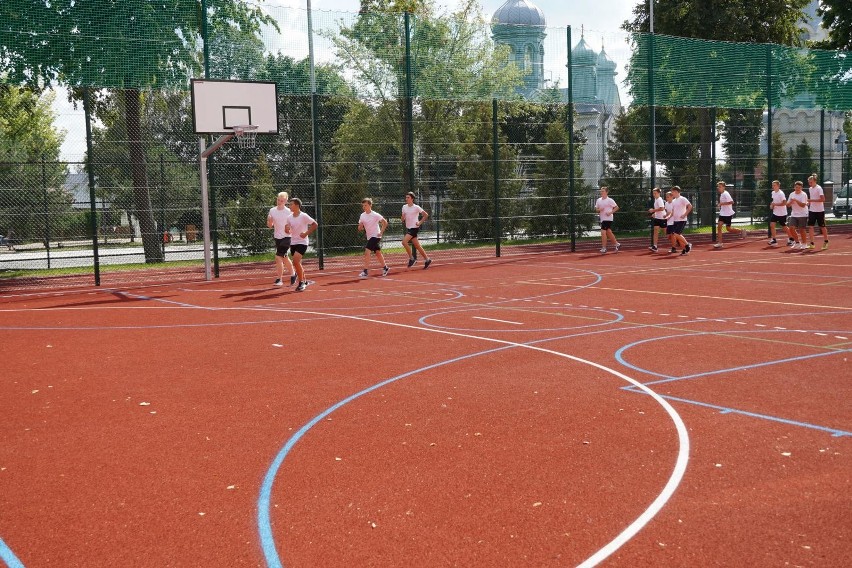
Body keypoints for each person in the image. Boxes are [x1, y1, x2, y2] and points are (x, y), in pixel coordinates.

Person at [285, 198, 318, 292]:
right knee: (297, 263)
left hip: (302, 242)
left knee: (295, 261)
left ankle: (301, 282)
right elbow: (288, 230)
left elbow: (315, 224)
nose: (289, 206)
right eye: (289, 204)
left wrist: (306, 233)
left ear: (297, 205)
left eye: (291, 204)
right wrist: (287, 229)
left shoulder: (304, 216)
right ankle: (305, 280)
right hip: (293, 242)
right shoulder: (289, 217)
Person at [266, 191, 297, 287]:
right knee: (284, 257)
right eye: (278, 200)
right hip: (277, 237)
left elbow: (295, 225)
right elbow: (269, 225)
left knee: (278, 257)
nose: (279, 202)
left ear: (286, 201)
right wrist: (270, 221)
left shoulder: (289, 212)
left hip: (287, 237)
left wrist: (290, 230)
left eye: (281, 200)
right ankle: (293, 274)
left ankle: (279, 279)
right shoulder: (272, 210)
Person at [358, 198, 389, 278]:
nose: (364, 207)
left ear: (370, 205)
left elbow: (385, 222)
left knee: (367, 251)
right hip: (370, 237)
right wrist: (360, 226)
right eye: (363, 206)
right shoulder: (362, 215)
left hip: (376, 236)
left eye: (366, 205)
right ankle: (385, 268)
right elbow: (359, 228)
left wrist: (381, 232)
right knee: (378, 253)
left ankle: (365, 271)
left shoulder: (375, 215)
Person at [401, 192, 432, 269]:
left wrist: (420, 222)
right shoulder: (404, 207)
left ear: (412, 199)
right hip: (409, 227)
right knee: (417, 245)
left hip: (414, 228)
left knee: (404, 242)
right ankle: (427, 259)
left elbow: (426, 215)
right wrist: (403, 217)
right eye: (406, 197)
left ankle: (412, 259)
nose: (406, 199)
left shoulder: (416, 207)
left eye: (408, 197)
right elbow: (402, 219)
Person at [713, 181, 746, 248]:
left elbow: (731, 202)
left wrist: (721, 204)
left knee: (728, 229)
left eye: (720, 187)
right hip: (722, 213)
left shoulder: (726, 194)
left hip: (728, 214)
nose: (718, 188)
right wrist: (720, 206)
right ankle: (720, 243)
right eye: (718, 187)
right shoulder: (722, 194)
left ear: (723, 187)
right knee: (719, 227)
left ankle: (741, 231)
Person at [806, 174, 829, 250]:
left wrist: (811, 200)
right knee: (810, 227)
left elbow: (823, 199)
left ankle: (826, 242)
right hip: (812, 210)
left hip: (820, 211)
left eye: (811, 182)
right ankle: (812, 243)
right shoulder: (810, 189)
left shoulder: (819, 188)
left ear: (815, 181)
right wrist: (809, 203)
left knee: (822, 227)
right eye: (809, 182)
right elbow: (812, 198)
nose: (810, 184)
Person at [594, 186, 620, 254]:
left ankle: (604, 248)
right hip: (602, 219)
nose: (601, 192)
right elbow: (596, 209)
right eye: (601, 191)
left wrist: (610, 212)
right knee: (608, 232)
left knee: (603, 232)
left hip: (608, 218)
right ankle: (617, 244)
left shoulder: (610, 200)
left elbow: (616, 207)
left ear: (606, 192)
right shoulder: (598, 200)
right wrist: (600, 210)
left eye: (603, 191)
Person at [767, 180, 793, 246]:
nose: (773, 186)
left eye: (774, 185)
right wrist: (772, 205)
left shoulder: (781, 193)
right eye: (772, 185)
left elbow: (784, 203)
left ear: (778, 186)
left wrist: (775, 204)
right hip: (775, 212)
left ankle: (791, 239)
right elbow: (774, 201)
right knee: (772, 225)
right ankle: (774, 240)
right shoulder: (773, 193)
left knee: (784, 227)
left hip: (782, 213)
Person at [669, 186, 693, 255]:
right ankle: (685, 248)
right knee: (676, 235)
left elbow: (690, 206)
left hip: (682, 220)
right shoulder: (673, 201)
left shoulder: (683, 199)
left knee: (676, 234)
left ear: (676, 192)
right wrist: (668, 217)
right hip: (675, 220)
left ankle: (687, 245)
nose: (672, 193)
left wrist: (685, 214)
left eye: (672, 192)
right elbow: (673, 211)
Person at [786, 181, 809, 250]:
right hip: (794, 214)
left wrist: (796, 200)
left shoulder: (803, 194)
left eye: (799, 187)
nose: (797, 189)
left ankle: (804, 243)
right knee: (791, 228)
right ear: (794, 187)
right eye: (796, 187)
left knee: (802, 229)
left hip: (803, 214)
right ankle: (797, 243)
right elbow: (787, 205)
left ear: (801, 188)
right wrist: (791, 202)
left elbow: (802, 205)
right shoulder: (791, 194)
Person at [647, 187, 666, 252]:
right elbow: (659, 209)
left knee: (667, 233)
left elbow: (662, 208)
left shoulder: (659, 199)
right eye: (653, 193)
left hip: (662, 218)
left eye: (655, 193)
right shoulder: (656, 199)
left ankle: (678, 241)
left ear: (659, 193)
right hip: (657, 218)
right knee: (655, 231)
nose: (654, 194)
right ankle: (655, 246)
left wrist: (653, 210)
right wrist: (655, 213)